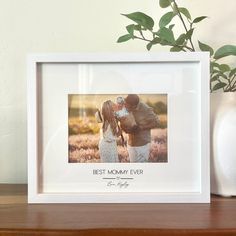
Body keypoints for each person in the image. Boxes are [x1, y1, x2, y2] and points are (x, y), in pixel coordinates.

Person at [124, 94, 159, 162]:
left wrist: (142, 127)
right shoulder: (126, 105)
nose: (126, 107)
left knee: (141, 167)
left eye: (128, 105)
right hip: (131, 143)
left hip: (142, 144)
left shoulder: (146, 109)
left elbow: (156, 122)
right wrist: (124, 128)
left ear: (134, 106)